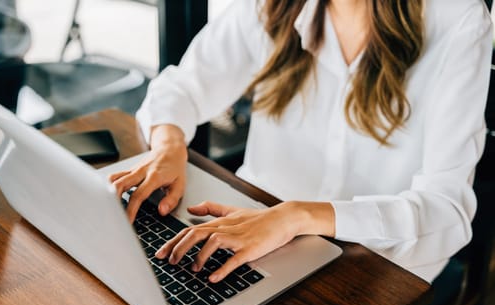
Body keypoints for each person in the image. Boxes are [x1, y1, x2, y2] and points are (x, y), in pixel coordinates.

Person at [110, 0, 493, 286]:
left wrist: (297, 215)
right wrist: (168, 145)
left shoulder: (457, 20)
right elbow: (184, 86)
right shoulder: (273, 5)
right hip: (254, 225)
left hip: (380, 263)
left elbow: (446, 208)